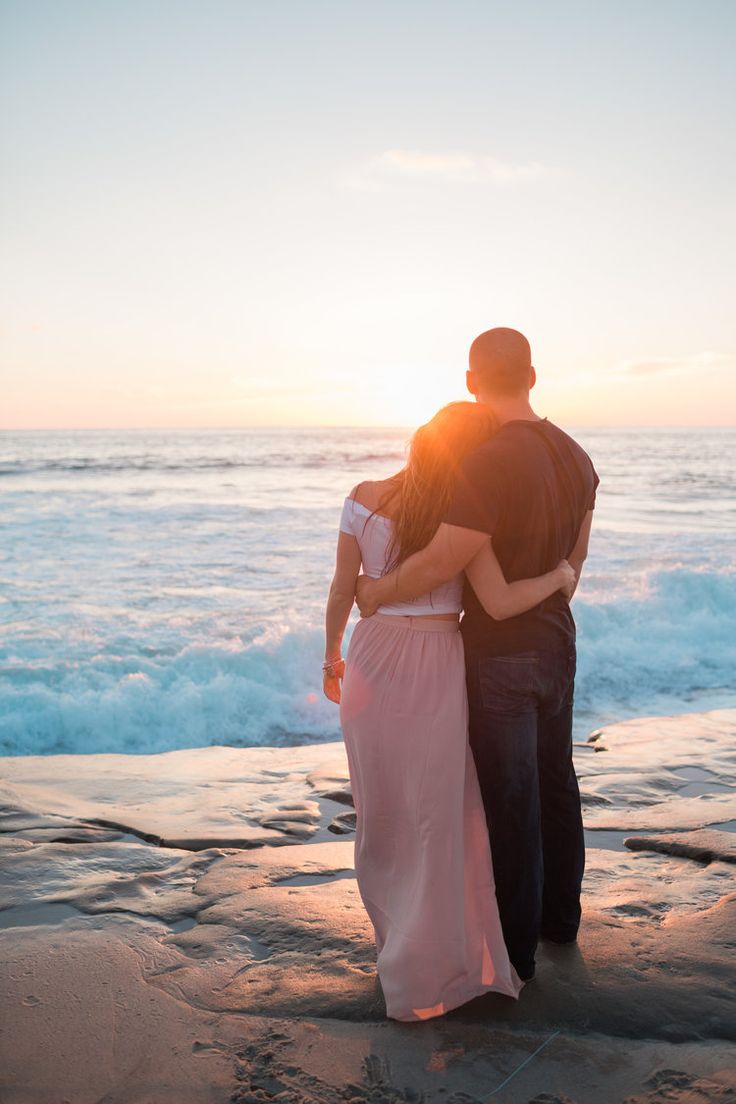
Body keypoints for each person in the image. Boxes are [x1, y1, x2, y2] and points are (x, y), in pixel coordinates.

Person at [356, 328, 599, 983]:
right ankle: (560, 923)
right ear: (534, 375)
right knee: (557, 782)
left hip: (501, 657)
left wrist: (377, 592)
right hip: (557, 642)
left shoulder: (488, 460)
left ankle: (516, 953)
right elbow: (575, 562)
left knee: (511, 799)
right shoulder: (577, 457)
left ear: (470, 382)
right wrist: (553, 586)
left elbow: (445, 557)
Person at [323, 400, 576, 1021]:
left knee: (380, 811)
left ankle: (396, 947)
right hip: (438, 659)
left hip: (373, 655)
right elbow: (497, 595)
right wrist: (561, 575)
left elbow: (341, 588)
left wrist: (331, 657)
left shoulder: (362, 494)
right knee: (441, 811)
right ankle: (434, 955)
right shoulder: (461, 520)